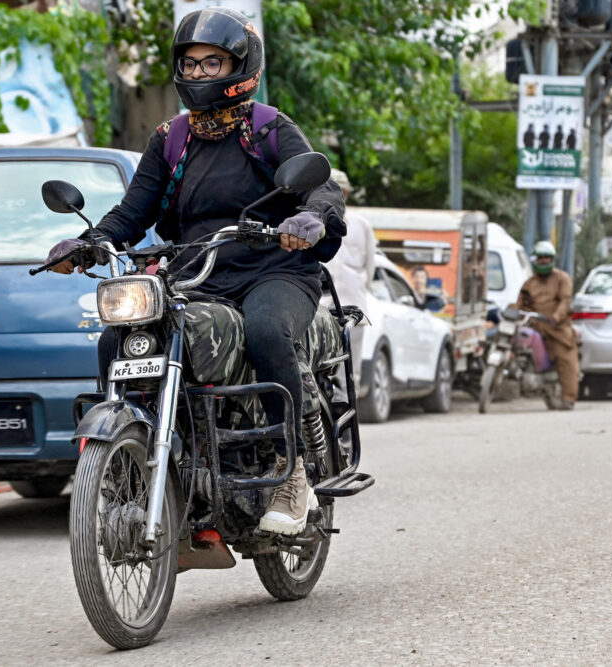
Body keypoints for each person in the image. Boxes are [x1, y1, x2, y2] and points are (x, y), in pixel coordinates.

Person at [46, 7, 346, 535]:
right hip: (194, 274)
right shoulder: (171, 138)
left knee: (264, 331)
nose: (199, 73)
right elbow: (133, 212)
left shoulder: (268, 128)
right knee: (119, 342)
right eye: (190, 63)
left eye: (212, 62)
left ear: (240, 66)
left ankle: (290, 470)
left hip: (272, 269)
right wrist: (90, 242)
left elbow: (321, 187)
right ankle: (143, 464)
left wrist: (308, 218)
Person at [324, 169, 373, 398]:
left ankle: (347, 421)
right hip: (320, 309)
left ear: (343, 193)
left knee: (349, 370)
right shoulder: (311, 220)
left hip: (352, 307)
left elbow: (369, 268)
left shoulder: (361, 225)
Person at [514, 241, 579, 409]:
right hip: (535, 326)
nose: (543, 261)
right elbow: (521, 304)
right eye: (540, 258)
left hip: (557, 328)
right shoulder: (529, 284)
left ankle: (568, 398)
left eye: (547, 258)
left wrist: (557, 316)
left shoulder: (562, 278)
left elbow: (565, 300)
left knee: (565, 358)